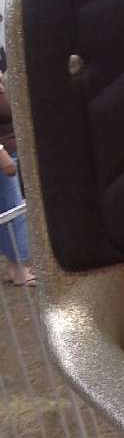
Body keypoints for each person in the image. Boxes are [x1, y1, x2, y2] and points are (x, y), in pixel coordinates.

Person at [0, 76, 33, 285]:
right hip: (4, 155)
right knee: (13, 212)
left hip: (11, 149)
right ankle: (20, 269)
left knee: (8, 212)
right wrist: (1, 154)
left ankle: (15, 268)